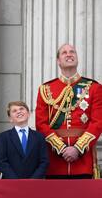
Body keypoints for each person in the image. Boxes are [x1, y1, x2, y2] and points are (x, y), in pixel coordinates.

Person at [35, 44, 102, 179]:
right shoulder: (46, 89)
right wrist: (61, 148)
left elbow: (98, 122)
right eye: (64, 53)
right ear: (58, 61)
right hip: (55, 161)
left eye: (72, 52)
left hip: (83, 162)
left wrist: (77, 148)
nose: (69, 54)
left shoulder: (94, 88)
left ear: (77, 58)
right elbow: (41, 124)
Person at [0, 101, 49, 179]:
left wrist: (33, 180)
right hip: (11, 183)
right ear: (10, 118)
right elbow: (2, 162)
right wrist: (16, 180)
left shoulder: (39, 136)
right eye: (14, 111)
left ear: (28, 114)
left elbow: (44, 161)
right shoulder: (4, 137)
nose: (19, 111)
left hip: (34, 183)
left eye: (22, 109)